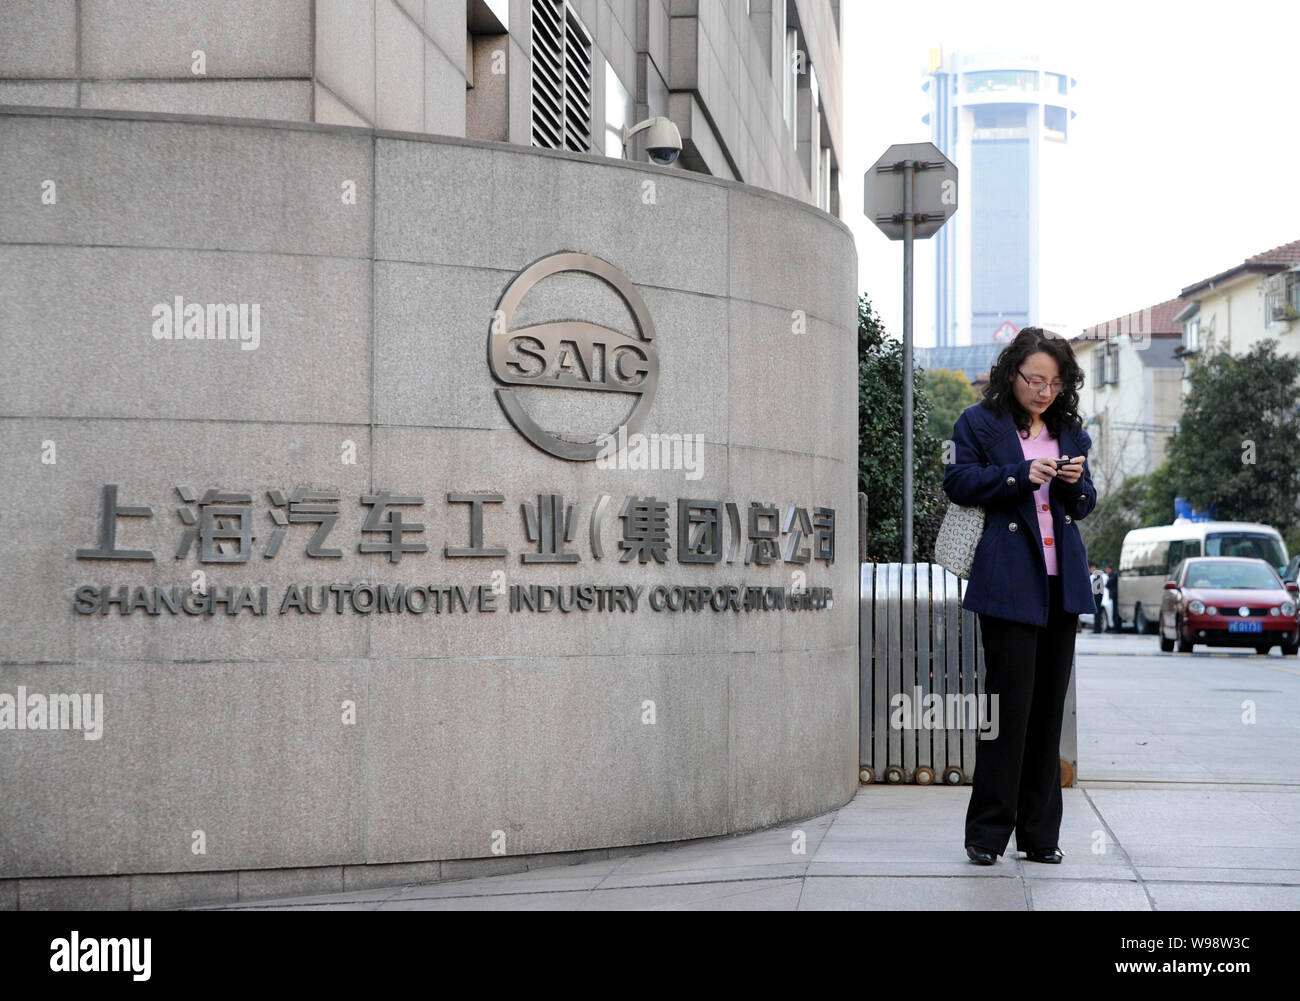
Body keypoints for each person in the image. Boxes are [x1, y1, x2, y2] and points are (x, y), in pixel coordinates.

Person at [942, 327, 1097, 867]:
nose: (1044, 391)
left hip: (1062, 585)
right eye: (1035, 379)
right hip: (1009, 582)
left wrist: (1074, 482)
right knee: (1009, 711)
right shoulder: (978, 423)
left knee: (1048, 713)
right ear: (1013, 374)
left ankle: (1040, 835)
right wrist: (1018, 475)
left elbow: (1083, 504)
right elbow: (958, 482)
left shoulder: (1070, 431)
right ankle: (987, 835)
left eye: (1055, 382)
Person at [1089, 563, 1107, 634]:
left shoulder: (1099, 576)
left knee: (1097, 613)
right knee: (1096, 613)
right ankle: (1096, 628)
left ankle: (1097, 629)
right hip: (1097, 596)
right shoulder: (1095, 576)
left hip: (1098, 597)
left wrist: (1094, 596)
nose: (1091, 570)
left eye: (1092, 568)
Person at [1104, 565, 1119, 632]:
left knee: (1116, 612)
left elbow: (1107, 584)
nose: (1106, 571)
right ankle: (1115, 627)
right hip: (1114, 596)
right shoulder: (1112, 575)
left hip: (1115, 596)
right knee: (1114, 612)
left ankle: (1116, 628)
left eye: (1107, 569)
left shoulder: (1114, 575)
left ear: (1110, 569)